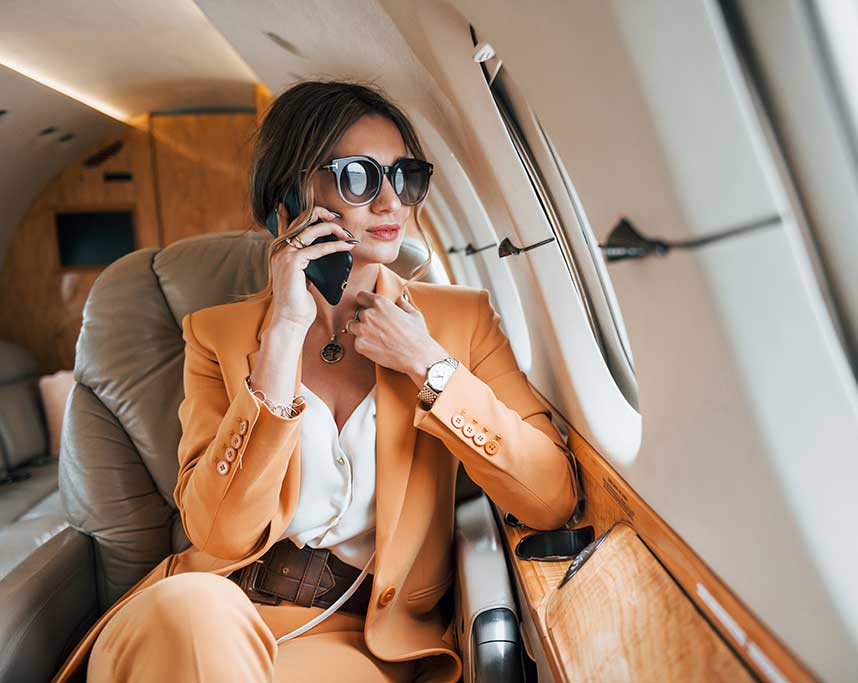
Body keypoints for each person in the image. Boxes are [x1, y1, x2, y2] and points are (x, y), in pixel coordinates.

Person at [52, 80, 579, 683]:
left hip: (353, 640)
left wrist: (429, 366)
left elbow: (550, 497)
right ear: (291, 192)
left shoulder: (460, 322)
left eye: (405, 176)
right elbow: (219, 533)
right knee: (192, 609)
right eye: (359, 176)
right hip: (197, 614)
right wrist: (280, 338)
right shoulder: (216, 335)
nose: (391, 203)